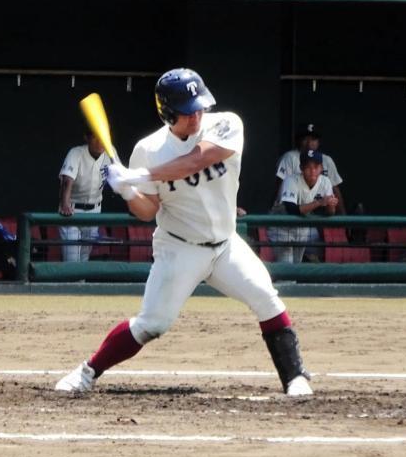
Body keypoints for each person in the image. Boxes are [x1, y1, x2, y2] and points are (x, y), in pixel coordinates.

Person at [55, 68, 314, 396]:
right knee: (153, 324)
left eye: (200, 107)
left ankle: (295, 377)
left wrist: (136, 177)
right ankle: (88, 371)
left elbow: (198, 160)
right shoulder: (148, 150)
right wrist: (128, 191)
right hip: (180, 248)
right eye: (188, 111)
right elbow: (148, 211)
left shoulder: (227, 124)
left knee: (267, 298)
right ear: (168, 112)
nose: (197, 115)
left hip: (225, 245)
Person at [272, 149, 338, 263]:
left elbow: (330, 213)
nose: (312, 171)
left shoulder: (325, 182)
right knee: (286, 267)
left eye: (316, 166)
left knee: (297, 266)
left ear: (321, 168)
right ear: (301, 168)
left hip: (302, 228)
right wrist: (319, 202)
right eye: (308, 167)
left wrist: (331, 204)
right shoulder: (291, 180)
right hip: (282, 227)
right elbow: (291, 210)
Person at [58, 131, 111, 262]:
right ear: (86, 138)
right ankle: (71, 283)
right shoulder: (76, 153)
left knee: (84, 259)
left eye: (102, 137)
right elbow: (67, 180)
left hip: (95, 211)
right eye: (95, 137)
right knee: (72, 260)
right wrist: (64, 204)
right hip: (72, 210)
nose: (100, 142)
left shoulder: (108, 157)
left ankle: (81, 283)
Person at [274, 123, 345, 213]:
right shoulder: (290, 158)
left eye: (313, 139)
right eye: (305, 139)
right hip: (287, 208)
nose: (309, 143)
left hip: (309, 213)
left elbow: (335, 190)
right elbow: (279, 187)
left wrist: (342, 215)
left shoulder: (326, 163)